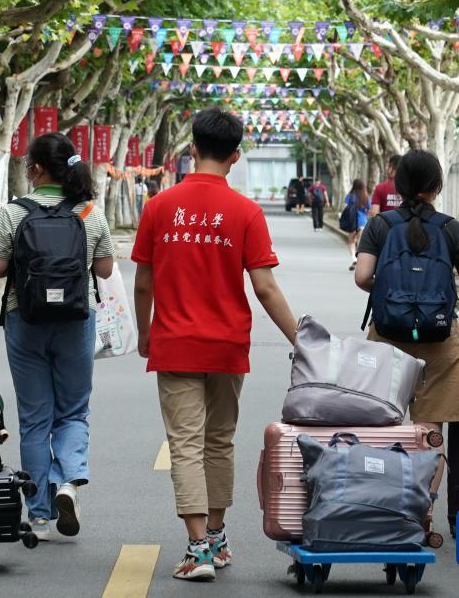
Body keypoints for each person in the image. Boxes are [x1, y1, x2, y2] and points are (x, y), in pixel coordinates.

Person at [131, 108, 297, 582]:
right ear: (236, 155)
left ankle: (198, 547)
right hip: (227, 346)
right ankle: (219, 541)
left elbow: (144, 283)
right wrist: (300, 339)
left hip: (176, 343)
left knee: (185, 444)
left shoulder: (160, 207)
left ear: (191, 149)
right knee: (219, 441)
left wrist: (146, 331)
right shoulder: (246, 212)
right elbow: (265, 288)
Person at [0, 132, 115, 541]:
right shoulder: (89, 211)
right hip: (76, 321)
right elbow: (107, 269)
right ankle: (69, 481)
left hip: (25, 320)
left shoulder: (13, 212)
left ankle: (39, 514)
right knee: (73, 411)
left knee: (35, 419)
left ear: (37, 169)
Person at [354, 149, 459, 503]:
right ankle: (422, 510)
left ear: (399, 184)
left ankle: (386, 506)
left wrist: (390, 291)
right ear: (437, 186)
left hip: (386, 337)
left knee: (384, 426)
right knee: (430, 430)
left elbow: (363, 276)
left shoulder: (380, 226)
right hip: (439, 341)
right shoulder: (451, 227)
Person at [344, 178, 370, 271]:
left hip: (352, 222)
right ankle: (359, 260)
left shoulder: (350, 196)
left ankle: (354, 259)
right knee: (360, 242)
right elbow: (369, 210)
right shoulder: (366, 197)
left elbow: (345, 207)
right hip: (362, 222)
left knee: (351, 241)